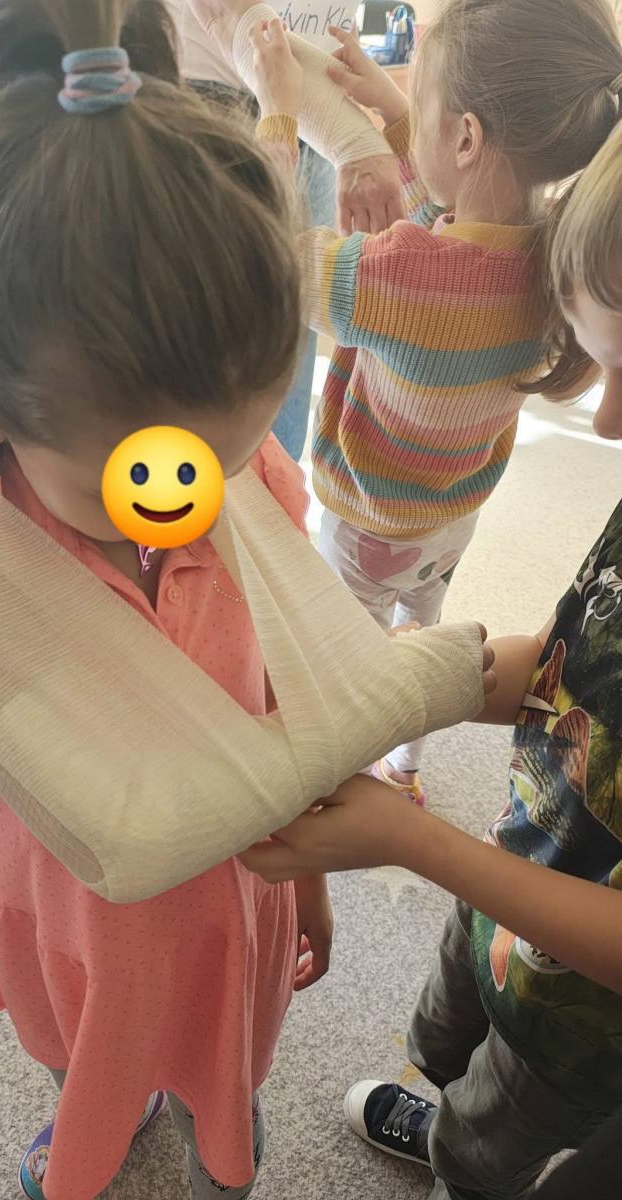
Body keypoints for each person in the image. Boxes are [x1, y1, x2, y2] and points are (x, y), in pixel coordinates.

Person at [0, 2, 493, 1198]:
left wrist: (302, 872)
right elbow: (45, 774)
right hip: (75, 896)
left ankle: (214, 1129)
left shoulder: (249, 488)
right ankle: (104, 1099)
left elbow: (296, 697)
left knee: (221, 1066)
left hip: (232, 896)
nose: (193, 503)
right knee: (87, 1036)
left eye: (228, 456)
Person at [242, 115, 622, 1199]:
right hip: (521, 861)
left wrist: (414, 840)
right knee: (453, 1028)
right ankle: (444, 1104)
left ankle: (462, 1159)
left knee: (495, 1132)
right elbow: (573, 663)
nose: (605, 423)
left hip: (581, 1018)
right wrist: (415, 680)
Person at [194, 0, 621, 804]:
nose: (408, 126)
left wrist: (277, 113)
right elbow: (452, 213)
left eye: (423, 112)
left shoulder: (390, 277)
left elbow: (264, 255)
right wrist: (398, 114)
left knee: (346, 658)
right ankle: (408, 770)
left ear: (466, 138)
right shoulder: (554, 256)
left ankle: (347, 779)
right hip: (452, 515)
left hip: (367, 521)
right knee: (421, 632)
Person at [164, 0, 397, 461]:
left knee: (293, 320)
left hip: (318, 95)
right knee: (208, 352)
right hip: (215, 91)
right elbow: (221, 11)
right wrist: (354, 140)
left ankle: (277, 488)